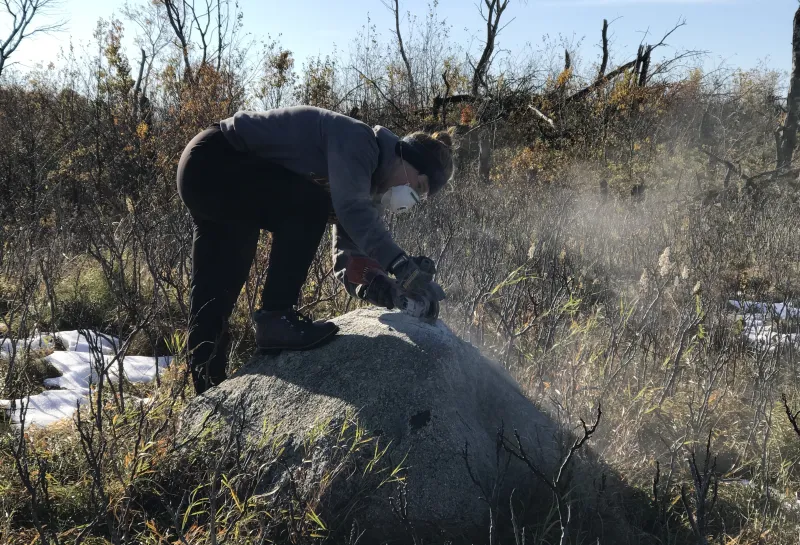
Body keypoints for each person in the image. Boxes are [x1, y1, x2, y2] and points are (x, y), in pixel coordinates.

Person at [176, 106, 454, 394]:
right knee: (312, 202)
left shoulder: (366, 191)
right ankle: (276, 317)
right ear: (404, 157)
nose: (413, 199)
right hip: (216, 159)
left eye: (421, 197)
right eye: (419, 186)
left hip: (223, 185)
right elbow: (352, 212)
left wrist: (381, 286)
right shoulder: (359, 141)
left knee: (214, 296)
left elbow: (347, 258)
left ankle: (207, 394)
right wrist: (402, 265)